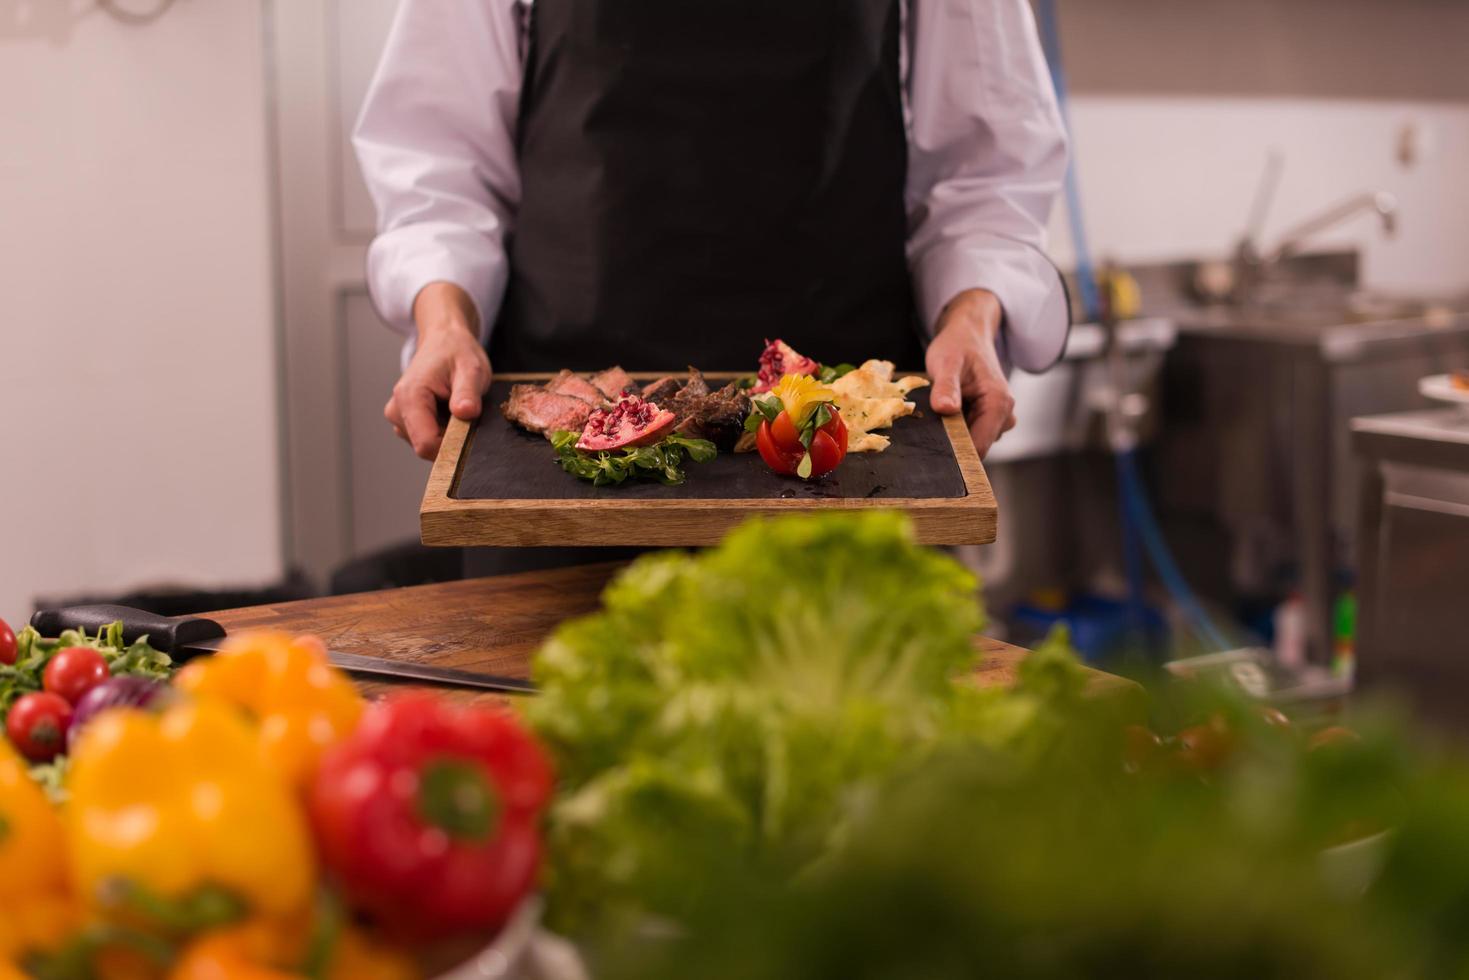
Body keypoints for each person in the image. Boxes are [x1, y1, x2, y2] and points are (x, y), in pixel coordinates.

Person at [357, 0, 1070, 470]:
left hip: (842, 435)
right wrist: (443, 323)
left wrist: (973, 316)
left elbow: (987, 176)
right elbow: (435, 165)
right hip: (560, 428)